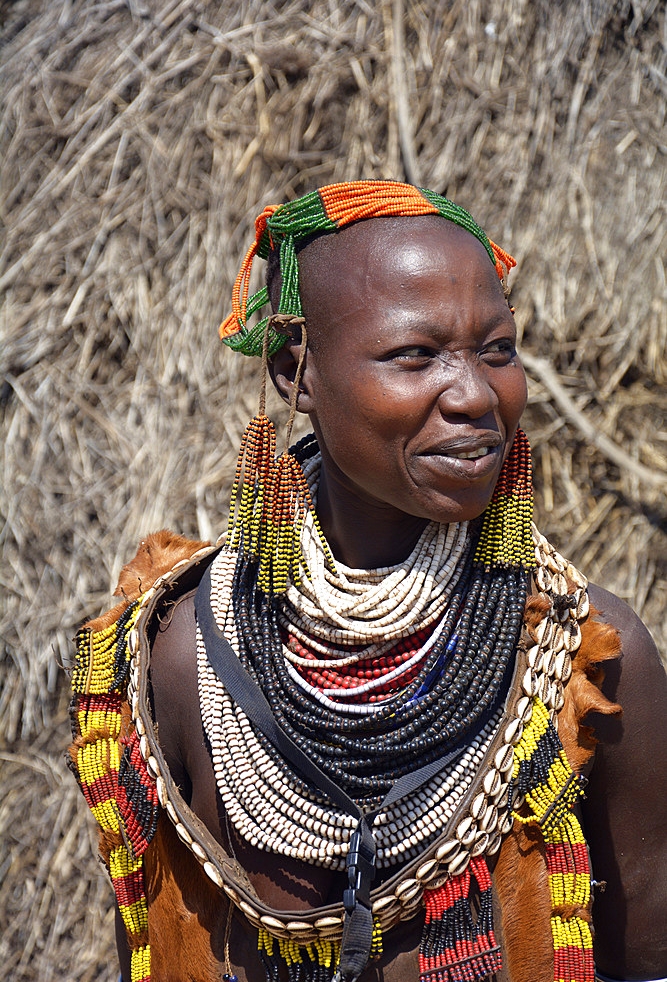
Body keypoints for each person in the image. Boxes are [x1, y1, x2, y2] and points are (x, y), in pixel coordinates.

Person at [68, 181, 667, 982]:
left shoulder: (583, 659)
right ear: (295, 372)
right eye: (414, 355)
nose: (476, 395)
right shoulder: (175, 656)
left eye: (497, 349)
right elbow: (153, 941)